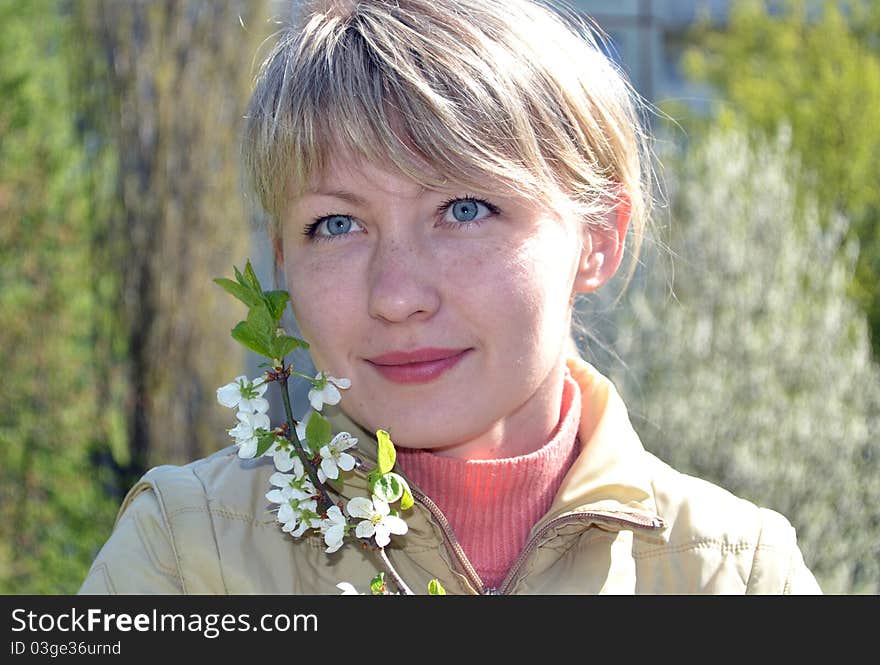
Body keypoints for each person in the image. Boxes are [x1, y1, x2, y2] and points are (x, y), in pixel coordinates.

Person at [79, 0, 821, 595]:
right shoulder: (182, 556)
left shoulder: (740, 573)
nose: (397, 295)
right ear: (282, 257)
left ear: (598, 237)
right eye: (335, 224)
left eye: (465, 208)